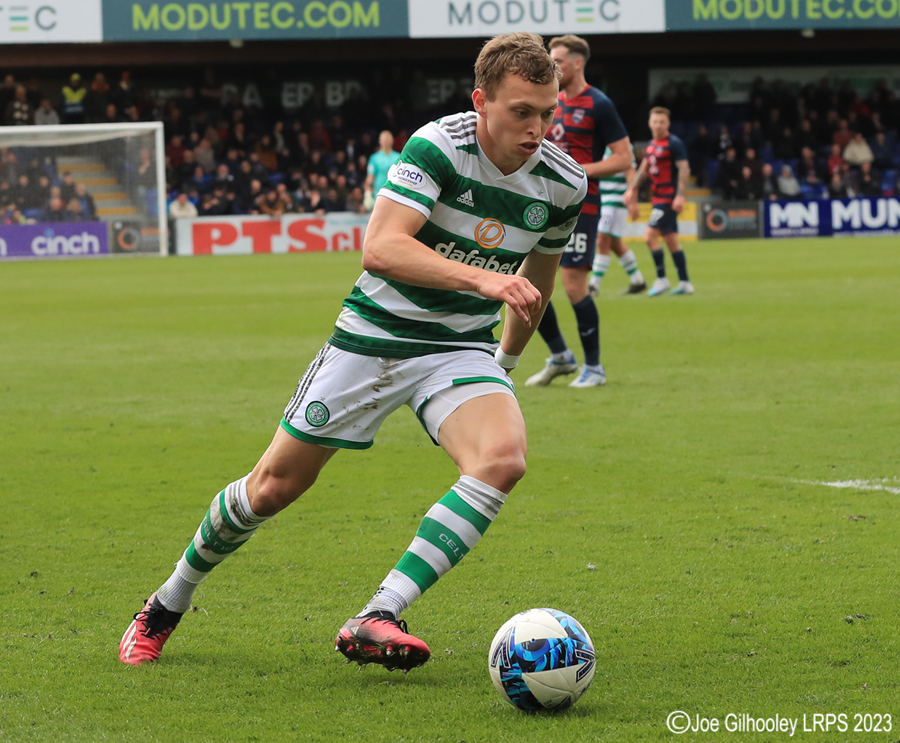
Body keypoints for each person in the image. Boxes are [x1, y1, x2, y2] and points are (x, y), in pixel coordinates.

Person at [119, 32, 586, 671]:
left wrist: (502, 362)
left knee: (501, 459)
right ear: (481, 101)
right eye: (521, 112)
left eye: (548, 113)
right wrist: (482, 278)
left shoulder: (563, 183)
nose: (537, 130)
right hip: (373, 338)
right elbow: (382, 247)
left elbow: (539, 280)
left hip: (458, 351)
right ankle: (168, 601)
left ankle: (378, 614)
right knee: (272, 488)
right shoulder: (438, 147)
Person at [524, 34, 632, 389]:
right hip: (538, 203)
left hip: (580, 205)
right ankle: (560, 356)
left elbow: (623, 158)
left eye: (558, 61)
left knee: (572, 284)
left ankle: (595, 368)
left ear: (578, 62)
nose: (553, 66)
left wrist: (575, 173)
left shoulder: (598, 103)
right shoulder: (548, 101)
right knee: (525, 284)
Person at [624, 107, 693, 297]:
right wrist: (632, 190)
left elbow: (684, 169)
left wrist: (680, 195)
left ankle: (662, 279)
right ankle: (685, 282)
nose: (658, 125)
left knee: (649, 236)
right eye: (655, 121)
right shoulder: (651, 145)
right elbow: (643, 171)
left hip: (668, 198)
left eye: (662, 122)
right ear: (649, 123)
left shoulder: (674, 144)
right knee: (672, 241)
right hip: (658, 198)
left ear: (668, 124)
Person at [589, 144, 645, 296]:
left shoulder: (623, 146)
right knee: (614, 243)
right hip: (603, 200)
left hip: (615, 201)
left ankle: (593, 285)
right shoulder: (602, 146)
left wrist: (633, 202)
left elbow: (631, 175)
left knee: (602, 240)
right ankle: (638, 281)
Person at [364, 130, 401, 210]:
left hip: (395, 195)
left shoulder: (398, 157)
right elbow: (370, 177)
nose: (386, 141)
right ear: (380, 141)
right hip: (379, 195)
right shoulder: (374, 158)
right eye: (384, 139)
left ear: (392, 141)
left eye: (388, 139)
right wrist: (368, 194)